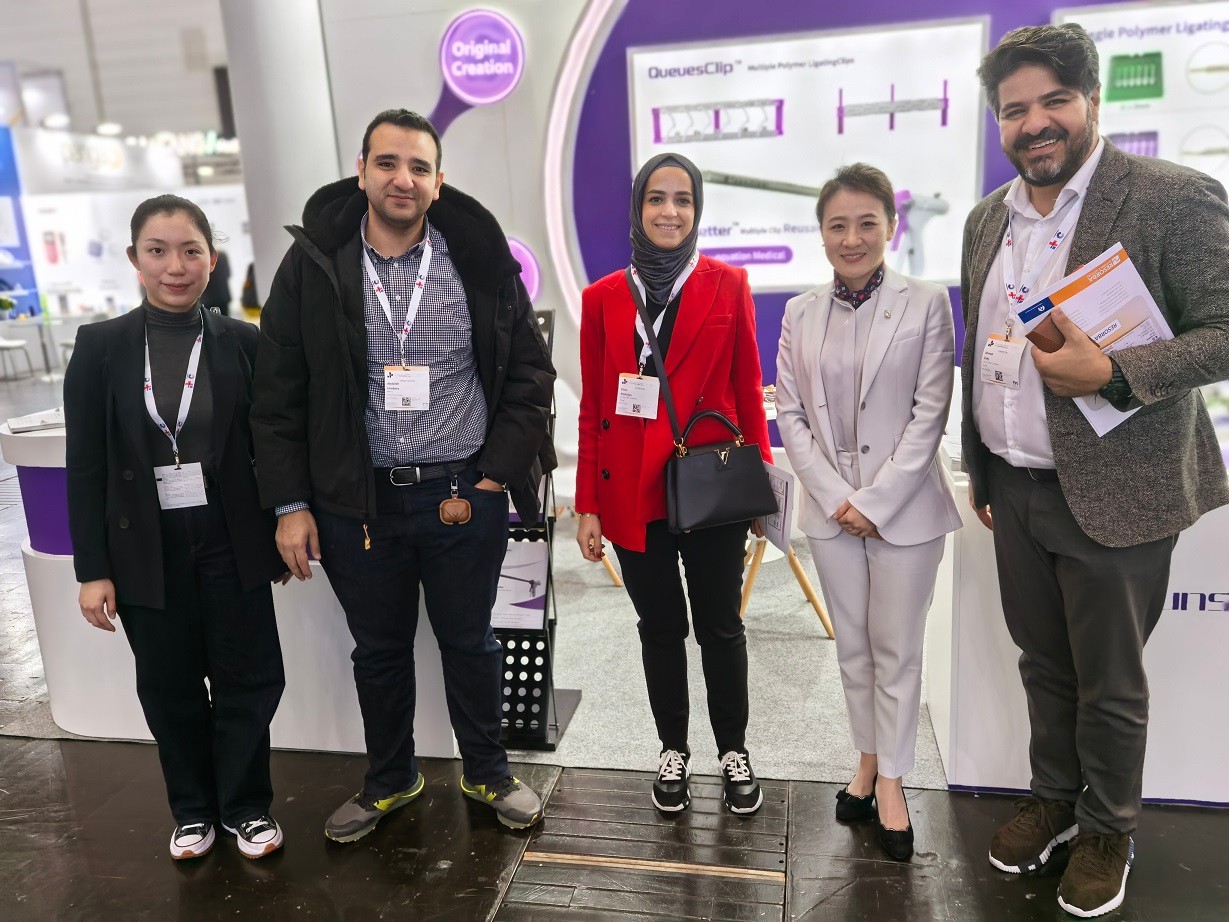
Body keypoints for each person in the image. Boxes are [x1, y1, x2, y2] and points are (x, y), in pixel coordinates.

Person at [963, 25, 1229, 918]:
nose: (1033, 123)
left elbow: (1224, 330)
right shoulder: (986, 218)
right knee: (1042, 664)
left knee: (1109, 684)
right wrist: (981, 469)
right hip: (1013, 488)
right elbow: (982, 347)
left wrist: (1113, 371)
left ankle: (1107, 827)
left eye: (1053, 101)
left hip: (1118, 490)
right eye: (1014, 110)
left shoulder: (1168, 197)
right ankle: (1053, 802)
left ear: (1092, 102)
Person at [250, 109, 555, 843]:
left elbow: (530, 375)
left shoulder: (477, 260)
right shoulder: (313, 265)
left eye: (419, 167)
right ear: (361, 172)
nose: (403, 179)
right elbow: (278, 394)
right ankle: (391, 778)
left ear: (438, 182)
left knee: (470, 642)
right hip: (357, 505)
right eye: (387, 163)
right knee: (378, 652)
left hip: (462, 496)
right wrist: (290, 504)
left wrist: (494, 475)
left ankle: (488, 771)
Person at [64, 195, 289, 861]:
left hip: (230, 540)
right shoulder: (101, 347)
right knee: (169, 685)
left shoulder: (243, 343)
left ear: (211, 259)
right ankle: (193, 810)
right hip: (144, 548)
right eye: (158, 251)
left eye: (191, 251)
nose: (175, 266)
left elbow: (272, 445)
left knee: (250, 678)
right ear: (135, 260)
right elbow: (86, 464)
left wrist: (283, 522)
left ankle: (245, 806)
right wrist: (92, 568)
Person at [575, 152, 772, 815]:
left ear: (697, 209)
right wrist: (587, 504)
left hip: (710, 483)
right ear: (637, 209)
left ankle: (733, 749)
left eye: (682, 199)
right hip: (631, 491)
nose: (669, 211)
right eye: (656, 198)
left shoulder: (727, 284)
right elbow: (593, 407)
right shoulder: (602, 298)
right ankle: (672, 749)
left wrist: (759, 488)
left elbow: (747, 387)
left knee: (720, 626)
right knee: (659, 628)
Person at [775, 163, 961, 861]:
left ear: (890, 226)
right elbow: (790, 415)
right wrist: (835, 498)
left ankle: (892, 781)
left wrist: (875, 502)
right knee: (852, 649)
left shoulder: (926, 303)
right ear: (821, 233)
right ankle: (865, 759)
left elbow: (929, 413)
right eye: (837, 226)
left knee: (896, 650)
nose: (851, 239)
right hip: (831, 515)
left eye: (865, 223)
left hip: (904, 513)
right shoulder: (799, 312)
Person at [201, 248, 232, 315]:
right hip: (222, 296)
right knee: (224, 319)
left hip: (208, 298)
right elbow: (228, 274)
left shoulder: (203, 257)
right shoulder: (222, 255)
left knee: (210, 320)